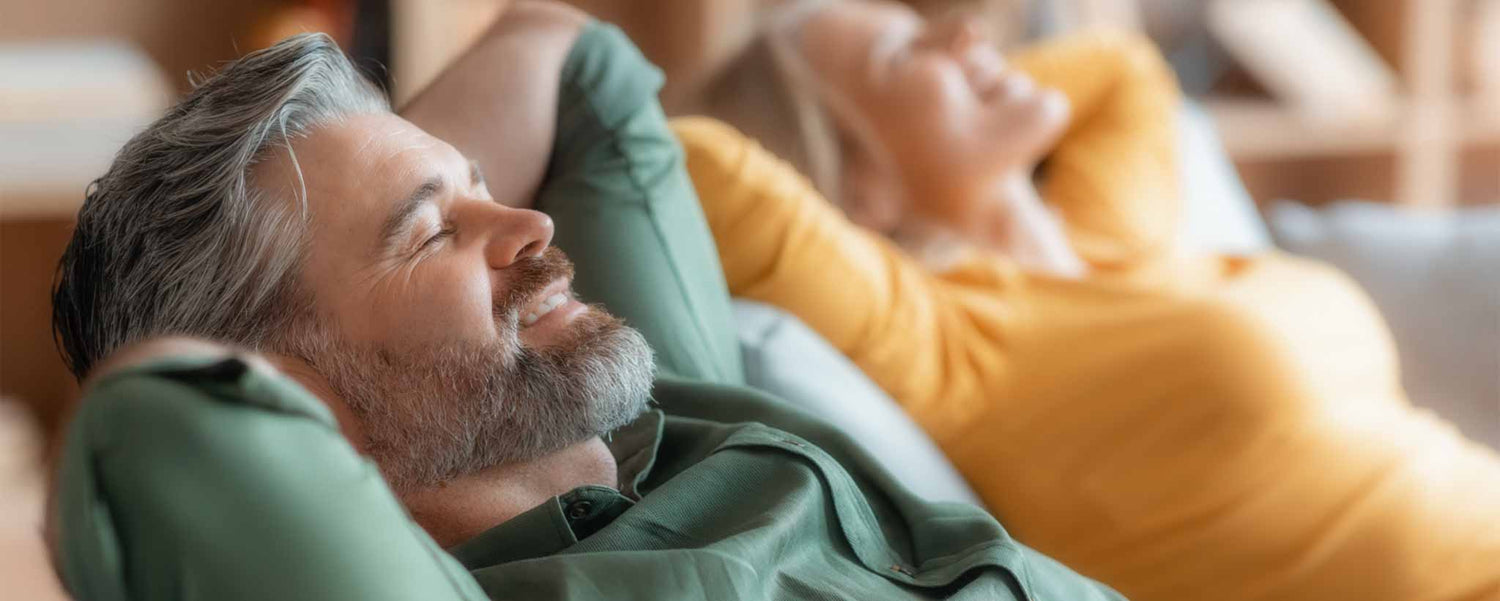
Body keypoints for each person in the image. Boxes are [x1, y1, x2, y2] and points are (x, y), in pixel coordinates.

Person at [45, 2, 1127, 599]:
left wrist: (382, 181)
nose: (531, 229)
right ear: (304, 401)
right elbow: (158, 422)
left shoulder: (678, 406)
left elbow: (573, 55)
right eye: (436, 234)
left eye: (488, 183)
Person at [673, 1, 1500, 600]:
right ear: (857, 185)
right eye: (905, 52)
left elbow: (1121, 68)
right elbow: (696, 160)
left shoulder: (1111, 236)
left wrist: (964, 102)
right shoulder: (948, 340)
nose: (964, 30)